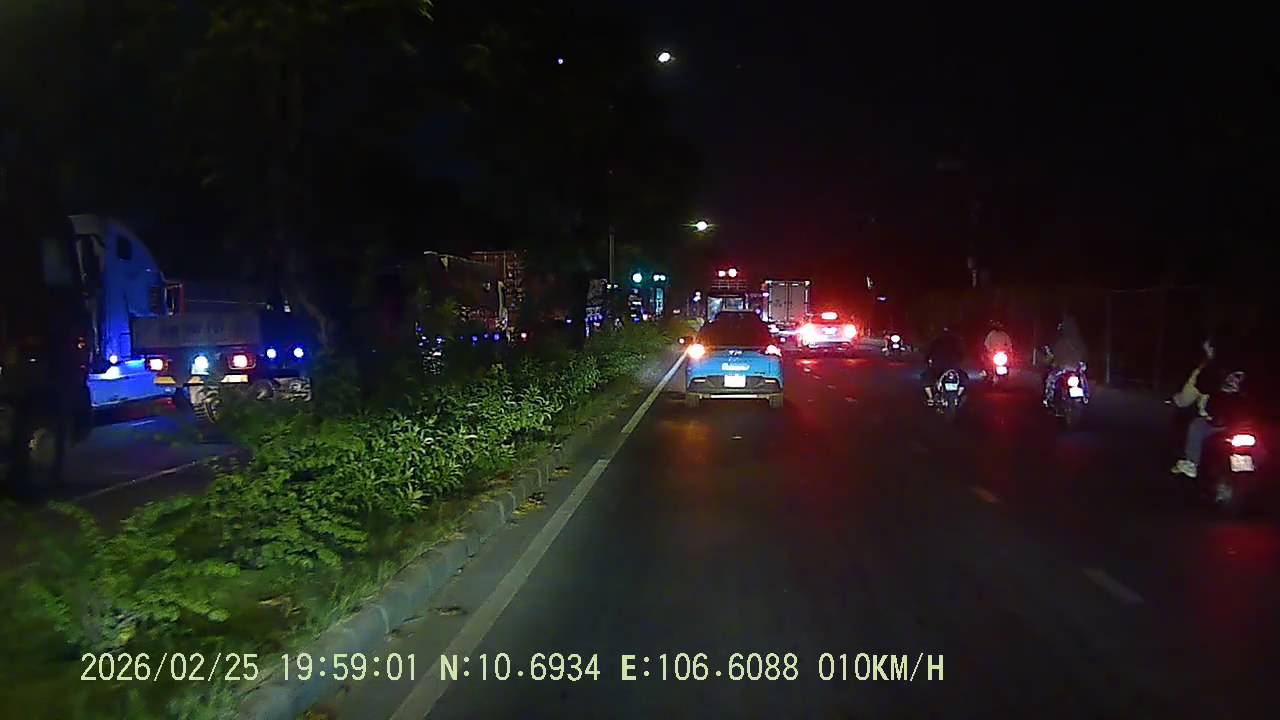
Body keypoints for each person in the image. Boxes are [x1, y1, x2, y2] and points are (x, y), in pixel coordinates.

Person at [1172, 336, 1248, 478]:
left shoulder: (1210, 369)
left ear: (1212, 350)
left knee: (1196, 427)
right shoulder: (1245, 367)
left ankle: (1191, 464)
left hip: (1217, 420)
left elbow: (1189, 395)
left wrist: (1177, 400)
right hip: (1242, 421)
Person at [1042, 313, 1088, 406]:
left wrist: (1051, 360)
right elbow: (1084, 353)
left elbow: (1052, 355)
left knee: (1050, 379)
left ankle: (1048, 399)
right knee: (1082, 378)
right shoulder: (1077, 340)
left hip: (1063, 368)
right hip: (1075, 368)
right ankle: (1085, 396)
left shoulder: (1059, 341)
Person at [922, 326, 966, 404]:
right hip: (953, 368)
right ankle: (957, 397)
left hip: (938, 368)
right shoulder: (956, 342)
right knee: (963, 379)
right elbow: (962, 355)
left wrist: (927, 361)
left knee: (925, 377)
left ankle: (931, 398)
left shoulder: (935, 342)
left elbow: (928, 354)